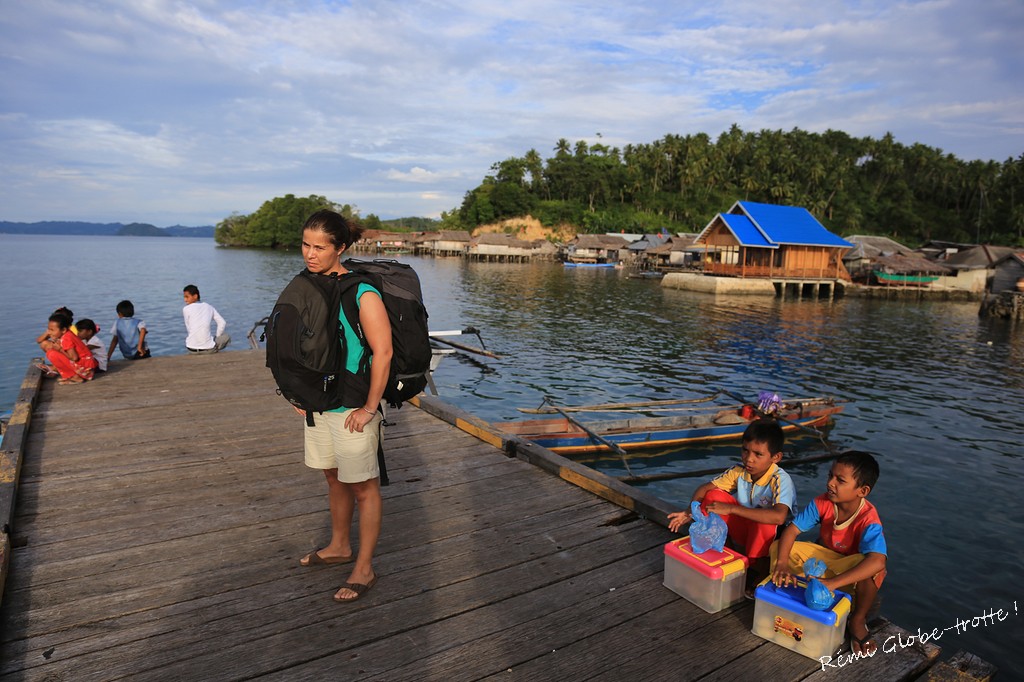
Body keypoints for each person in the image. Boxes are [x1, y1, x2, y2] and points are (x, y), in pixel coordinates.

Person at [292, 209, 392, 604]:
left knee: (364, 487)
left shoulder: (362, 292)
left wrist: (369, 408)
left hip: (354, 405)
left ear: (341, 248)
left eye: (319, 247)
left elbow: (382, 352)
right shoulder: (308, 286)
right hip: (319, 403)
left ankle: (364, 567)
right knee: (333, 477)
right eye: (305, 244)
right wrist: (298, 392)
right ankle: (338, 546)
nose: (310, 254)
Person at [770, 451, 886, 657]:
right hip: (824, 564)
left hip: (846, 572)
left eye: (840, 480)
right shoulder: (822, 502)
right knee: (779, 546)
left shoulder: (868, 518)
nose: (830, 483)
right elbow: (792, 530)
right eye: (830, 476)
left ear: (863, 490)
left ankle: (858, 619)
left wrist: (832, 583)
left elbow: (877, 559)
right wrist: (782, 563)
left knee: (873, 568)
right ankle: (789, 585)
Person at [667, 419, 796, 594]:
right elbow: (705, 489)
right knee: (713, 496)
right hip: (746, 527)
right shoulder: (739, 471)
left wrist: (731, 509)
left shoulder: (780, 479)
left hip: (770, 536)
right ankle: (729, 555)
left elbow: (779, 517)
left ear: (776, 457)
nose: (749, 459)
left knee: (766, 521)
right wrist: (689, 511)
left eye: (758, 454)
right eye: (745, 450)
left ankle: (760, 569)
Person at [36, 312, 97, 384]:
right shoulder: (67, 334)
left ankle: (75, 377)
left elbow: (74, 358)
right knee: (48, 347)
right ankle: (70, 375)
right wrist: (50, 333)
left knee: (51, 354)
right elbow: (39, 340)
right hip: (87, 368)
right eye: (49, 329)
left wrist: (60, 349)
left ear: (63, 330)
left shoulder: (66, 338)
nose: (49, 332)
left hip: (86, 371)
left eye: (52, 330)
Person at [182, 284, 230, 354]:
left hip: (191, 348)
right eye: (184, 297)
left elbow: (188, 328)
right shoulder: (209, 307)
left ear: (195, 296)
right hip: (208, 349)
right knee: (227, 337)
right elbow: (222, 322)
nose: (185, 299)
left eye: (187, 297)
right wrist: (217, 336)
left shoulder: (186, 309)